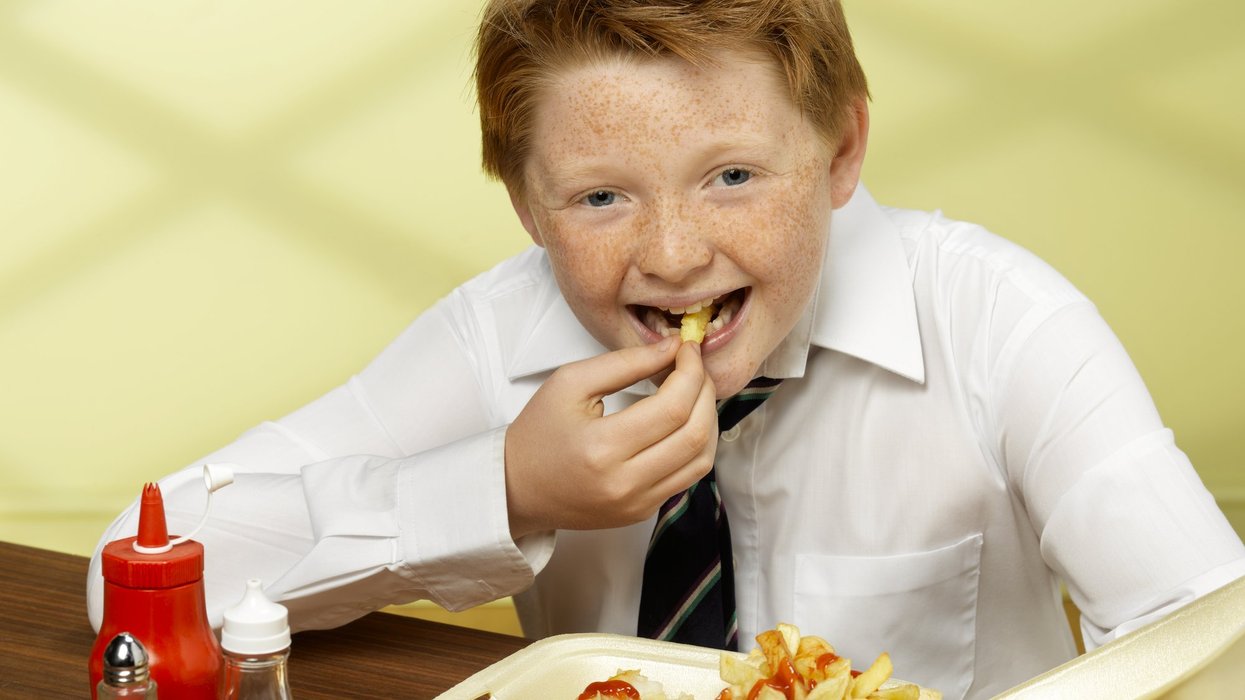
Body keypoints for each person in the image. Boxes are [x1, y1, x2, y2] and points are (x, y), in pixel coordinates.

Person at [87, 1, 1245, 697]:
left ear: (841, 151)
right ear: (527, 209)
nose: (675, 255)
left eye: (733, 176)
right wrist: (500, 485)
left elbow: (1216, 647)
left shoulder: (1000, 323)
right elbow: (127, 576)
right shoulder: (503, 330)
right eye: (599, 198)